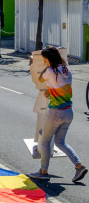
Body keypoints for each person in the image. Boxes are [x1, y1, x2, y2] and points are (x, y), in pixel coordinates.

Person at [29, 46, 86, 183]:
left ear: (49, 59)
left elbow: (41, 78)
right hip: (68, 111)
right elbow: (60, 86)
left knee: (45, 141)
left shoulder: (49, 71)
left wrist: (44, 65)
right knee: (60, 142)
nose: (44, 61)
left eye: (45, 59)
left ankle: (43, 171)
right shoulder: (67, 70)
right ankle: (79, 166)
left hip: (56, 112)